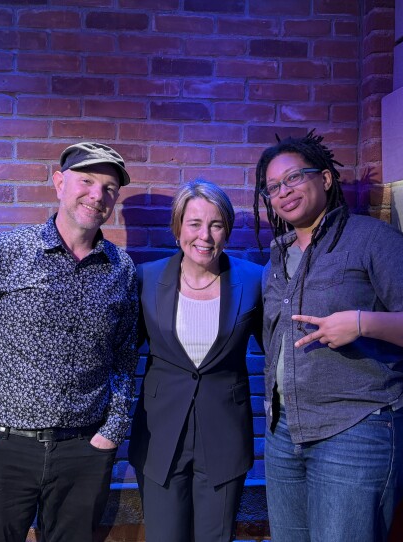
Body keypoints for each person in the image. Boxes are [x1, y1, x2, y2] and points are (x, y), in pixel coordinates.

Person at [252, 132, 403, 542]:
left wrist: (362, 322)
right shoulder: (276, 257)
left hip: (355, 430)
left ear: (325, 178)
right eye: (273, 187)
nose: (283, 192)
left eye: (293, 178)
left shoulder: (371, 240)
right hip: (284, 432)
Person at [0, 142, 139, 542]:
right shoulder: (6, 251)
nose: (97, 195)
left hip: (84, 451)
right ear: (59, 183)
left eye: (109, 188)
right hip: (1, 448)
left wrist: (113, 430)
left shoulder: (121, 268)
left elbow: (125, 356)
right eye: (87, 181)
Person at [128, 180, 263, 542]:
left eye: (216, 225)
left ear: (227, 231)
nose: (205, 235)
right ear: (177, 229)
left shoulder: (253, 280)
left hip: (224, 437)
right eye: (194, 224)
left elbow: (276, 351)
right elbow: (123, 352)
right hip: (160, 436)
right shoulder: (147, 278)